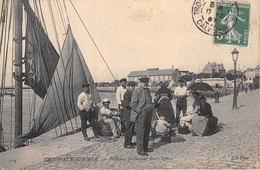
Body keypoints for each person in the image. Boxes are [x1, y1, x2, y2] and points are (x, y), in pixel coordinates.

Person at [130, 76, 153, 156]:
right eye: (144, 82)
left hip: (149, 113)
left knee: (147, 131)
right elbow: (133, 104)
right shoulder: (137, 91)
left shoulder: (148, 90)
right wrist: (140, 111)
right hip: (142, 113)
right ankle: (140, 150)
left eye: (146, 82)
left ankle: (145, 147)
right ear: (140, 83)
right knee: (141, 131)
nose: (145, 84)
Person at [123, 81, 136, 149]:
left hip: (131, 114)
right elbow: (126, 104)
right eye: (132, 86)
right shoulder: (127, 93)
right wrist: (133, 105)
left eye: (134, 86)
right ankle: (126, 143)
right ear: (128, 87)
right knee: (128, 129)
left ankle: (129, 142)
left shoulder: (130, 93)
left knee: (131, 128)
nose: (133, 88)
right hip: (128, 114)